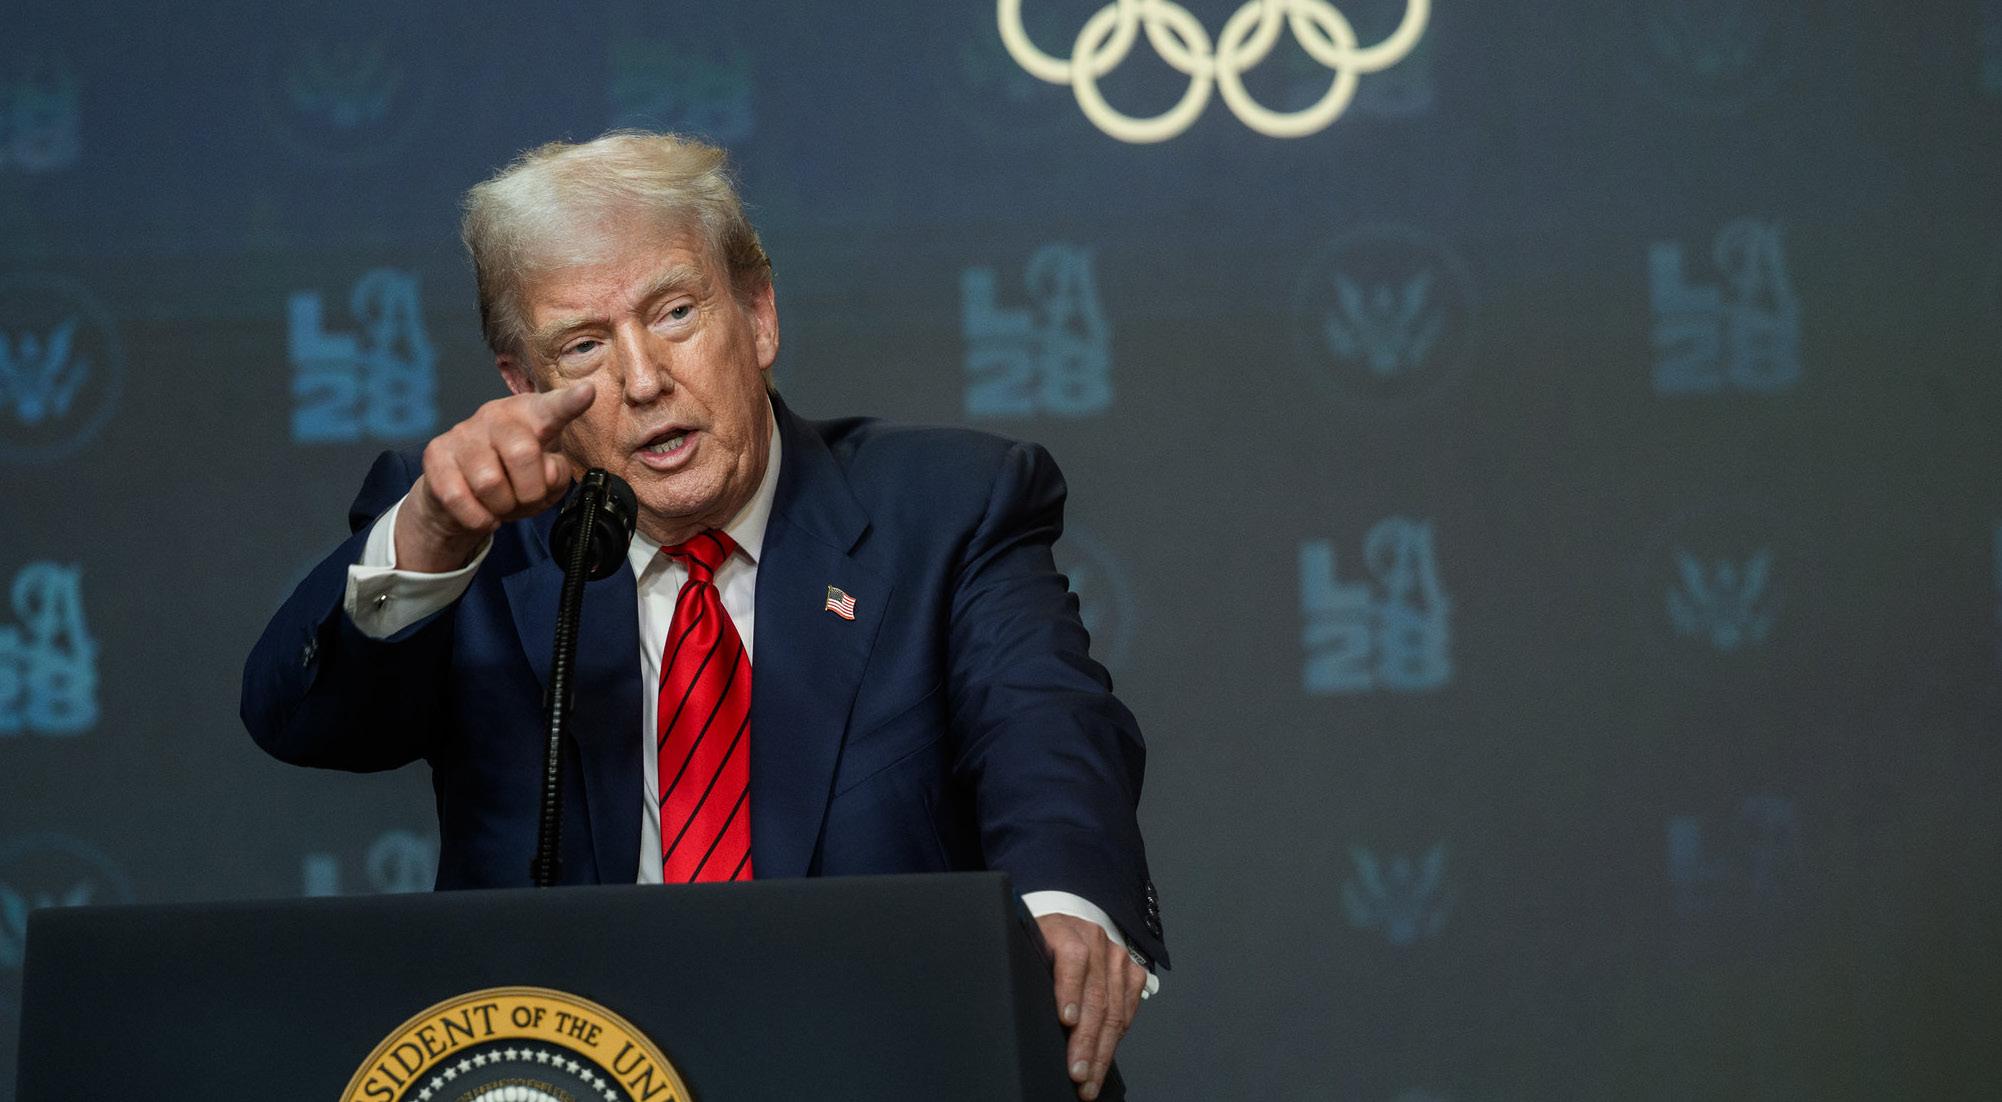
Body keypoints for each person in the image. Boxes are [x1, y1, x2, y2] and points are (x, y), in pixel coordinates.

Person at [241, 131, 1163, 1100]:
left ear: (758, 315)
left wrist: (1064, 908)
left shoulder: (948, 508)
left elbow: (1048, 731)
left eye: (674, 313)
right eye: (583, 346)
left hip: (885, 1063)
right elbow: (300, 720)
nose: (642, 380)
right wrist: (432, 533)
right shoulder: (476, 537)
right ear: (523, 386)